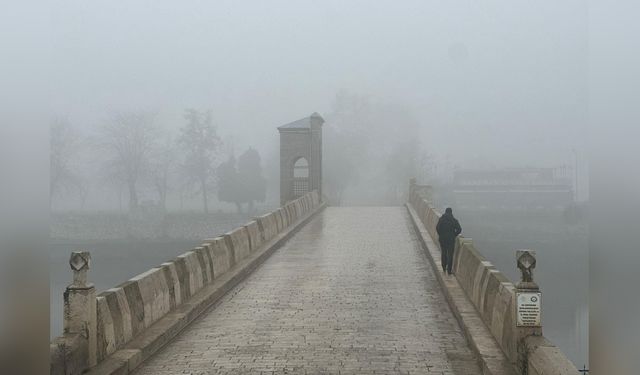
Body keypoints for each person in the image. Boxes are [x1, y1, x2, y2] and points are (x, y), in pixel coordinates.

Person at [436, 207, 462, 275]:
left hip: (442, 239)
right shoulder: (454, 220)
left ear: (445, 212)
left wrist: (441, 235)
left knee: (444, 253)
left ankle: (444, 267)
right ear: (451, 212)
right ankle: (449, 271)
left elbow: (437, 228)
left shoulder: (441, 219)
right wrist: (454, 235)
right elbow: (459, 229)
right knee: (450, 254)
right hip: (451, 240)